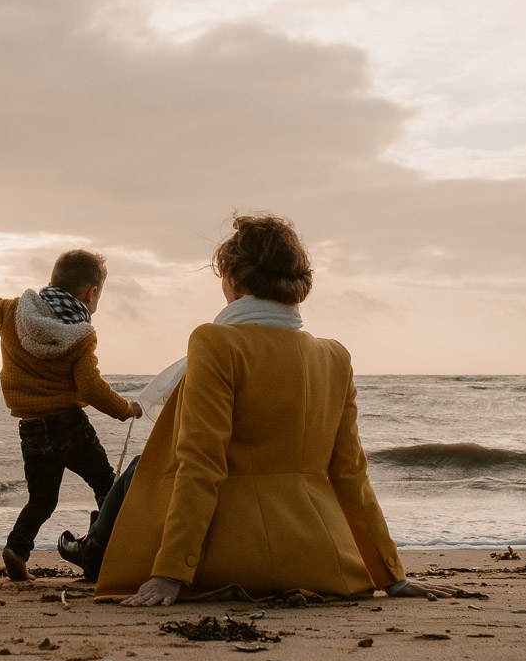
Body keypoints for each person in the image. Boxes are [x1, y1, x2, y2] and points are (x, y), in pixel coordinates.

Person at [64, 214, 453, 605]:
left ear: (233, 281)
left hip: (232, 557)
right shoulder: (335, 357)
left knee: (145, 465)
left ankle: (91, 549)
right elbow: (350, 473)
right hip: (320, 562)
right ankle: (93, 548)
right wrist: (392, 575)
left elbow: (202, 463)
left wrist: (171, 572)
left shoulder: (215, 342)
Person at [0, 249, 142, 581]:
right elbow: (91, 388)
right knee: (105, 486)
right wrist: (126, 409)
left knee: (41, 498)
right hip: (71, 427)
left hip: (32, 429)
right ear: (91, 293)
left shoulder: (12, 312)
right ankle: (104, 550)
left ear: (51, 281)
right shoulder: (82, 335)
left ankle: (16, 549)